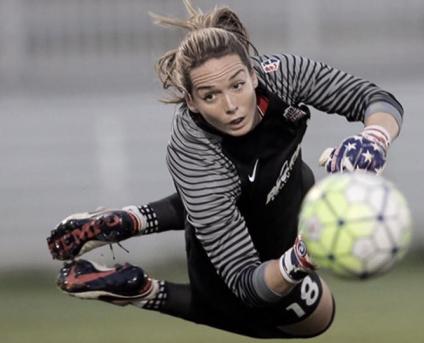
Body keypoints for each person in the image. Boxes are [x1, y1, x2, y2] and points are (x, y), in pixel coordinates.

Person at [47, 0, 404, 339]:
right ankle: (144, 292)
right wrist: (301, 259)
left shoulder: (283, 75)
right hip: (233, 251)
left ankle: (136, 220)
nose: (232, 106)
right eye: (210, 96)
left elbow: (374, 99)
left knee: (289, 183)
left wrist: (374, 138)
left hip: (285, 193)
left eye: (237, 85)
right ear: (191, 101)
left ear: (253, 73)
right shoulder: (195, 156)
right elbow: (248, 284)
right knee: (317, 318)